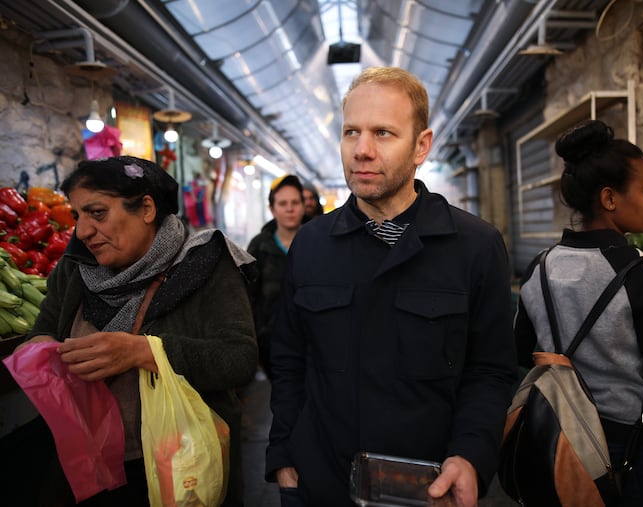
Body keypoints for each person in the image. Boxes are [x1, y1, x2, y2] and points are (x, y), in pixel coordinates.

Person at [265, 66, 518, 507]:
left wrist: (471, 455)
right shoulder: (311, 245)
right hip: (320, 483)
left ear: (421, 146)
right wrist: (285, 456)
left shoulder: (474, 247)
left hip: (426, 488)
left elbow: (490, 371)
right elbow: (289, 361)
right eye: (351, 132)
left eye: (383, 133)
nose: (361, 150)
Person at [14, 156, 258, 506]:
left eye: (97, 213)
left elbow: (239, 358)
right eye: (78, 215)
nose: (82, 231)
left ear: (146, 208)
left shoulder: (205, 265)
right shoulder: (74, 269)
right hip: (87, 468)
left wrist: (143, 352)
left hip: (179, 470)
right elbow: (42, 331)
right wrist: (40, 348)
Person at [512, 120, 643, 506]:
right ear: (609, 199)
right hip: (634, 458)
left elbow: (522, 353)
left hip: (561, 448)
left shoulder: (541, 267)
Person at [246, 174, 304, 378]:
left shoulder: (317, 243)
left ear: (303, 206)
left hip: (312, 342)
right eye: (283, 203)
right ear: (272, 209)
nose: (289, 208)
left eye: (295, 202)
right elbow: (248, 297)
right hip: (272, 343)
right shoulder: (259, 246)